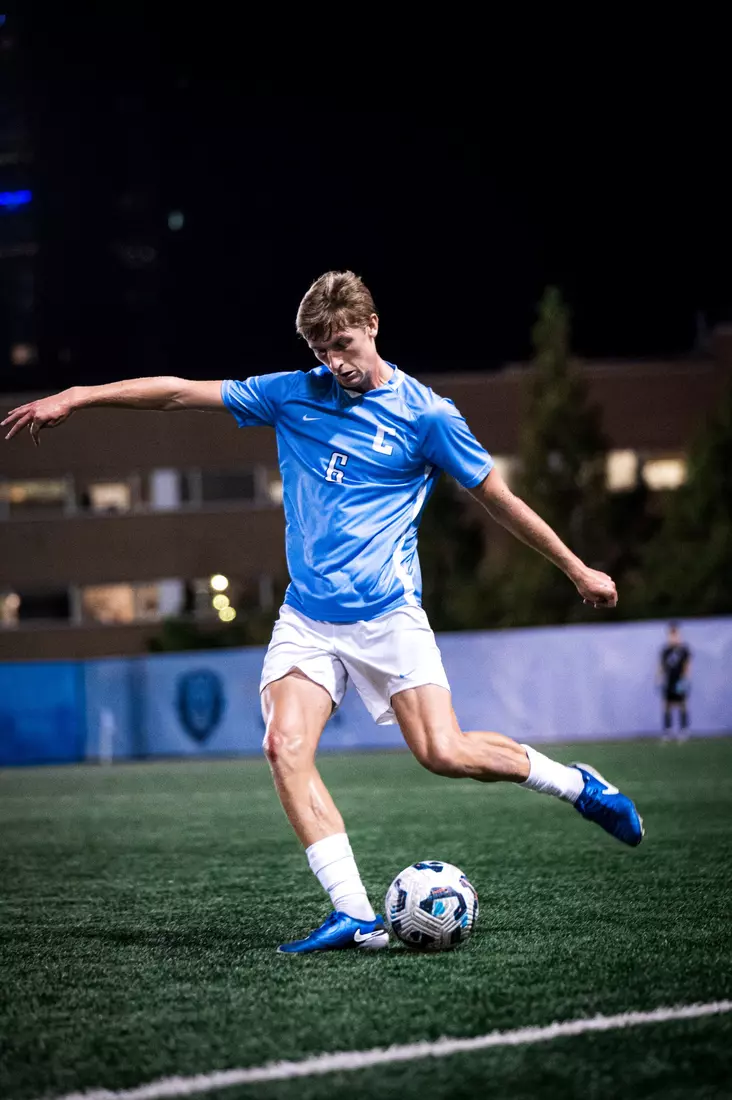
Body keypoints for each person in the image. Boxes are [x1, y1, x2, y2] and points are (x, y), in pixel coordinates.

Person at [3, 270, 644, 955]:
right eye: (321, 351)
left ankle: (576, 784)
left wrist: (576, 567)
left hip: (388, 615)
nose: (334, 362)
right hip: (308, 618)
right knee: (283, 745)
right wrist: (80, 395)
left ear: (371, 327)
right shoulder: (292, 396)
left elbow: (499, 498)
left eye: (342, 342)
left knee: (444, 753)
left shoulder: (427, 416)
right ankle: (356, 914)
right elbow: (177, 395)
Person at [658, 622, 692, 740]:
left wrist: (685, 680)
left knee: (682, 704)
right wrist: (659, 679)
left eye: (675, 634)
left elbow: (687, 666)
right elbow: (661, 667)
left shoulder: (683, 650)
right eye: (671, 635)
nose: (673, 637)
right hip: (669, 682)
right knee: (666, 705)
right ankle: (668, 730)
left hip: (679, 681)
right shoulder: (665, 651)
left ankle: (684, 730)